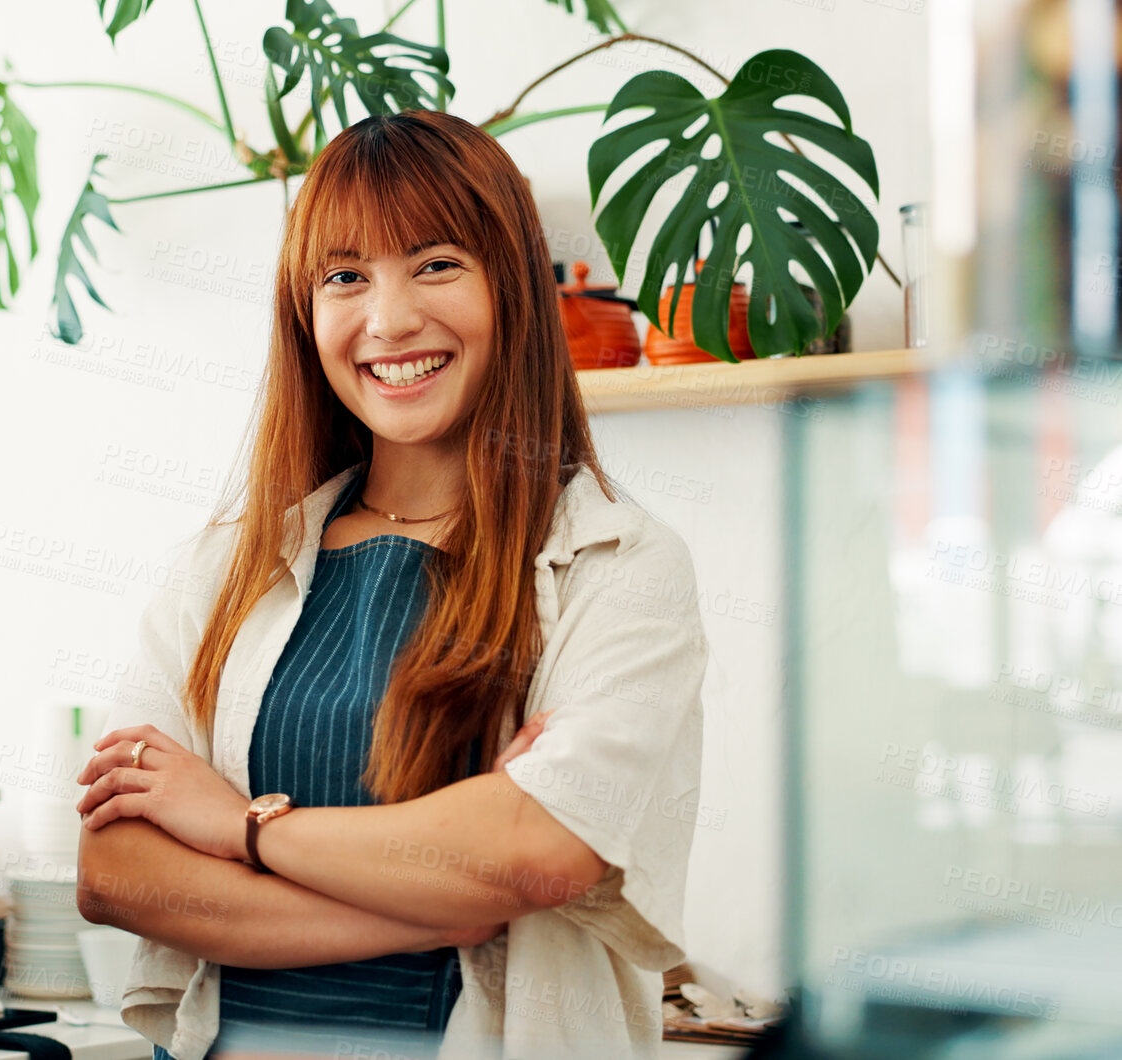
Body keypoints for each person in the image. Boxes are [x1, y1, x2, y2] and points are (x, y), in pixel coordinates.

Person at [73, 108, 709, 1060]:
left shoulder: (618, 564)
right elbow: (116, 869)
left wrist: (234, 826)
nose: (388, 319)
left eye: (436, 263)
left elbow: (538, 848)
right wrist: (437, 903)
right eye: (344, 277)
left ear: (513, 287)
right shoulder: (222, 569)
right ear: (305, 311)